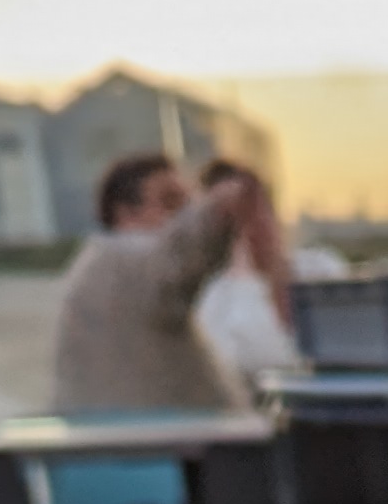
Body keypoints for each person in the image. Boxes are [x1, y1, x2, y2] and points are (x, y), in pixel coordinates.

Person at [50, 155, 250, 414]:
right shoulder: (119, 260)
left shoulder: (105, 268)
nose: (182, 217)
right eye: (170, 202)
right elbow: (180, 252)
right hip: (149, 433)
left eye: (189, 204)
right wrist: (220, 208)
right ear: (125, 213)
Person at [191, 159, 303, 390]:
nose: (253, 224)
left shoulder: (319, 266)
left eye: (257, 208)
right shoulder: (211, 297)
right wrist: (245, 274)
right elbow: (251, 361)